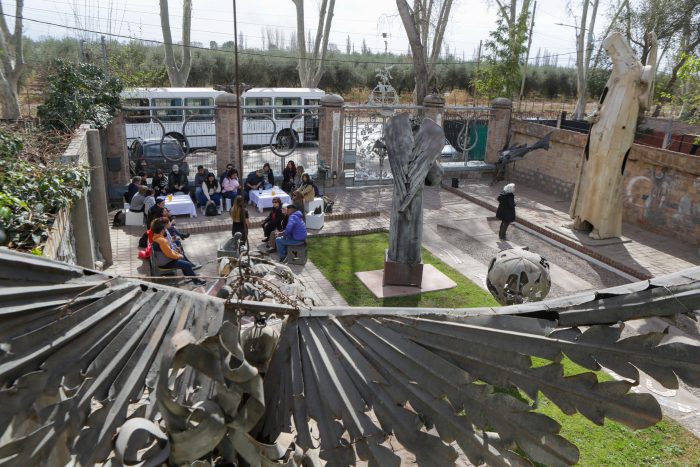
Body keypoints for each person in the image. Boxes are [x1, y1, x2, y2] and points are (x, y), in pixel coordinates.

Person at [151, 219, 205, 285]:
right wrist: (178, 256)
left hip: (165, 261)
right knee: (187, 264)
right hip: (166, 264)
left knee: (183, 259)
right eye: (164, 229)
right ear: (161, 230)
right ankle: (196, 281)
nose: (165, 230)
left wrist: (178, 254)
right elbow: (169, 254)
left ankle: (188, 275)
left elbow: (169, 251)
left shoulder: (156, 237)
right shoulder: (162, 240)